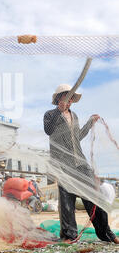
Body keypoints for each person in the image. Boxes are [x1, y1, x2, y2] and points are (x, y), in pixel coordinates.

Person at [44, 84, 119, 244]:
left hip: (80, 162)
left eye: (71, 98)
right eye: (66, 97)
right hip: (62, 164)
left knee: (94, 195)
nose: (69, 101)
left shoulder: (75, 116)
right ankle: (69, 236)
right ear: (58, 98)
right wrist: (59, 110)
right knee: (67, 200)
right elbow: (48, 130)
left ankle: (107, 233)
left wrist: (90, 123)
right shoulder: (50, 114)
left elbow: (77, 137)